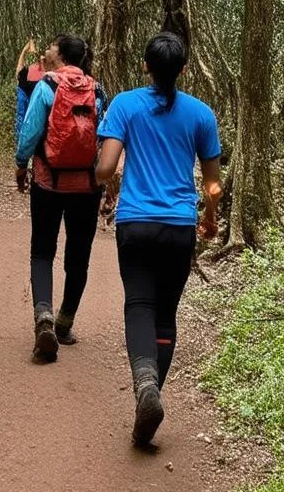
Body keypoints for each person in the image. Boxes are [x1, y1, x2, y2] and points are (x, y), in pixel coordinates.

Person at [95, 32, 222, 448]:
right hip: (179, 226)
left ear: (145, 65)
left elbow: (106, 167)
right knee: (165, 314)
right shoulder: (201, 115)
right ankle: (152, 393)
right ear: (183, 69)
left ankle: (144, 385)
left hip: (135, 223)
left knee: (138, 303)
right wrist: (210, 219)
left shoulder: (125, 106)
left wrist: (109, 182)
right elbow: (213, 184)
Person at [15, 34, 106, 363]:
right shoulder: (96, 89)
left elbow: (30, 132)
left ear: (63, 54)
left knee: (42, 249)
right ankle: (65, 322)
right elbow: (101, 136)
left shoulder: (48, 86)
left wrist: (21, 165)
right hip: (86, 186)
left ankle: (44, 316)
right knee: (78, 252)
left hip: (48, 181)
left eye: (53, 47)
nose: (48, 51)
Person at [15, 38, 46, 145]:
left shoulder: (24, 73)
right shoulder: (43, 73)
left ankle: (22, 143)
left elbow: (19, 67)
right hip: (39, 121)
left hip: (26, 101)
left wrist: (25, 50)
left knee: (22, 118)